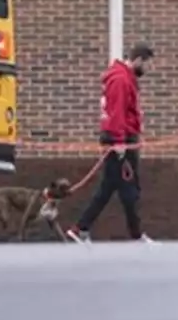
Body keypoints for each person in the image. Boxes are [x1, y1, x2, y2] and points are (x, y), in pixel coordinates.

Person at [66, 42, 155, 244]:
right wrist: (120, 142)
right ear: (139, 60)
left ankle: (81, 228)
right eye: (148, 65)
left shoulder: (123, 78)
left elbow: (126, 112)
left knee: (109, 188)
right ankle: (136, 235)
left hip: (122, 139)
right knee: (129, 189)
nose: (149, 70)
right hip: (119, 141)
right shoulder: (121, 80)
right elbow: (117, 113)